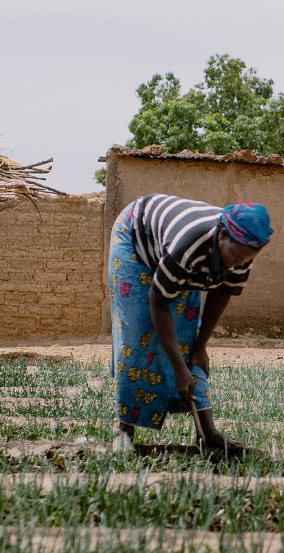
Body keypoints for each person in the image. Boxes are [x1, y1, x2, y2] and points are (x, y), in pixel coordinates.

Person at [108, 193, 272, 455]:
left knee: (186, 334)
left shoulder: (242, 250)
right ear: (222, 236)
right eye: (235, 255)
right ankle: (124, 431)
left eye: (245, 259)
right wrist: (177, 368)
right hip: (136, 237)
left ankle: (208, 434)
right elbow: (158, 303)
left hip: (176, 255)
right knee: (138, 328)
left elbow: (222, 293)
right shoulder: (189, 244)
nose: (238, 262)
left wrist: (200, 346)